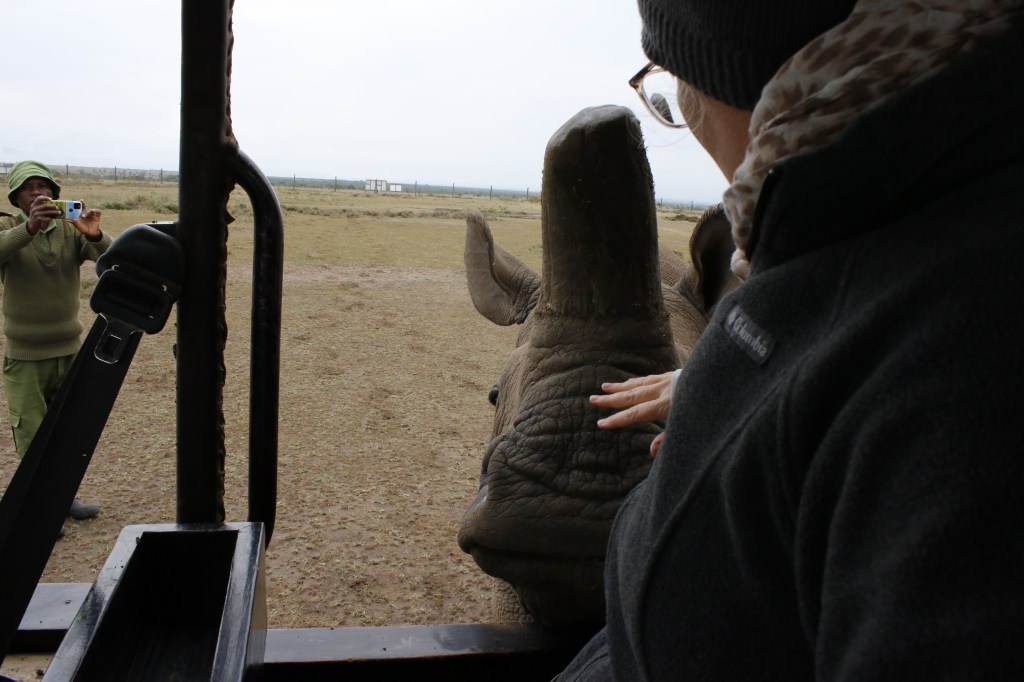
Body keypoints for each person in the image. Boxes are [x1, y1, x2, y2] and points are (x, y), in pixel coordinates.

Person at [561, 0, 1024, 678]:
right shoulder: (907, 213)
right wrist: (739, 389)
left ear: (736, 78)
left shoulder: (964, 372)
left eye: (672, 81)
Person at [1, 161, 112, 525]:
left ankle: (63, 501)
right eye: (28, 187)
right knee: (32, 437)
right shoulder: (7, 227)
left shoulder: (69, 229)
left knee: (66, 434)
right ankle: (37, 511)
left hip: (68, 351)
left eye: (43, 186)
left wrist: (94, 235)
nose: (37, 192)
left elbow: (112, 262)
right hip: (26, 357)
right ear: (16, 196)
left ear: (55, 193)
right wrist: (29, 228)